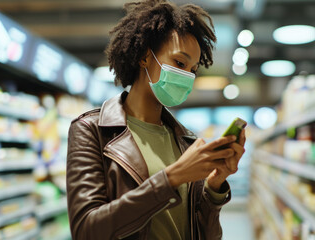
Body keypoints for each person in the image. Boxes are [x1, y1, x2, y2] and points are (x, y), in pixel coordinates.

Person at [66, 0, 246, 239]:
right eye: (179, 63)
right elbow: (87, 230)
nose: (186, 76)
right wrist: (172, 178)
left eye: (192, 70)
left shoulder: (185, 140)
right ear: (144, 57)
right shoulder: (91, 131)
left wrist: (214, 186)